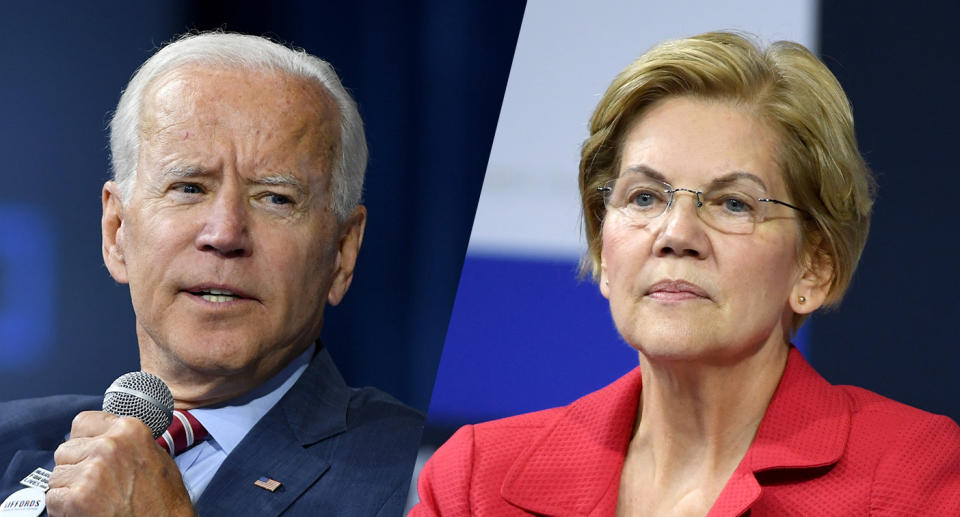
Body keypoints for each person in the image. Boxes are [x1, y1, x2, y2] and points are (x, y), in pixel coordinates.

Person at [412, 31, 960, 516]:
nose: (676, 235)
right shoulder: (476, 481)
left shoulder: (911, 478)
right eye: (644, 197)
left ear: (813, 268)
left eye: (733, 204)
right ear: (604, 252)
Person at [0, 32, 423, 516]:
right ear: (116, 231)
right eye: (188, 187)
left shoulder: (418, 480)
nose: (224, 233)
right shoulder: (9, 440)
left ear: (342, 253)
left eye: (275, 198)